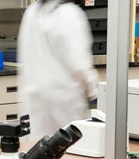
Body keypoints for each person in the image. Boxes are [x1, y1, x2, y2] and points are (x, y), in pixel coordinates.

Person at [17, 0, 98, 141]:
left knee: (37, 153)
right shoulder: (69, 13)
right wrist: (95, 94)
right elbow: (79, 64)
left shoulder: (32, 11)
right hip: (63, 99)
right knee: (69, 151)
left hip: (34, 97)